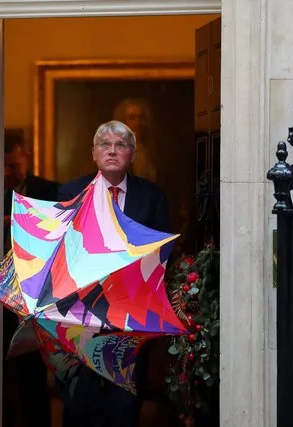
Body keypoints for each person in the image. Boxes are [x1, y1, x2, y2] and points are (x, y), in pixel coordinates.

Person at [57, 120, 170, 427]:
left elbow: (162, 255)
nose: (112, 151)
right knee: (80, 407)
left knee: (125, 408)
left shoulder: (151, 197)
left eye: (120, 146)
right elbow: (59, 255)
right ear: (94, 154)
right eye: (105, 145)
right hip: (80, 317)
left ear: (131, 154)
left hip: (129, 318)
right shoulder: (71, 192)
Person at [2, 129, 58, 427]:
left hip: (38, 296)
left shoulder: (51, 191)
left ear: (25, 157)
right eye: (4, 166)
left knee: (34, 377)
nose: (9, 171)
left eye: (14, 165)